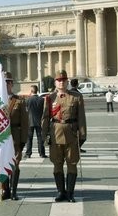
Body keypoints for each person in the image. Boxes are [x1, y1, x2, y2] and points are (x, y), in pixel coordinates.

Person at [42, 70, 87, 203]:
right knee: (57, 164)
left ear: (67, 82)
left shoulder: (76, 97)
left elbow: (81, 118)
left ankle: (70, 193)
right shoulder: (50, 98)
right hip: (55, 134)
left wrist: (82, 135)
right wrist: (44, 136)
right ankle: (60, 191)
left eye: (64, 80)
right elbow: (45, 118)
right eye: (59, 80)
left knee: (72, 164)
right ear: (55, 82)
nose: (61, 82)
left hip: (72, 135)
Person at [0, 72, 28, 200]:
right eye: (4, 82)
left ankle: (14, 191)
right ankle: (5, 190)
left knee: (15, 165)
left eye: (9, 82)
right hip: (2, 139)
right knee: (2, 164)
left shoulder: (19, 101)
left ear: (12, 84)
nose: (7, 84)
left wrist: (24, 140)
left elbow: (25, 123)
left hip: (15, 137)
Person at [25, 85, 46, 158]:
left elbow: (26, 110)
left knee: (29, 138)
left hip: (30, 121)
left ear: (31, 91)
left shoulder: (27, 100)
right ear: (37, 91)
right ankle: (42, 153)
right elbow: (44, 110)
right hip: (39, 121)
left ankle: (28, 153)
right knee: (40, 138)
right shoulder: (42, 100)